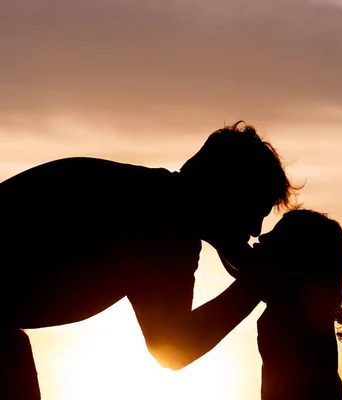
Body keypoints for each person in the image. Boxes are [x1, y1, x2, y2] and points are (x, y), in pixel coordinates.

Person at [0, 121, 298, 400]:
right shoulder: (165, 224)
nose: (256, 230)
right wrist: (255, 286)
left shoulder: (153, 196)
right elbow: (172, 349)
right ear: (228, 193)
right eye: (256, 210)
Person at [251, 209, 342, 400]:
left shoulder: (295, 309)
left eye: (276, 237)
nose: (263, 237)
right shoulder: (298, 302)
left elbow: (247, 270)